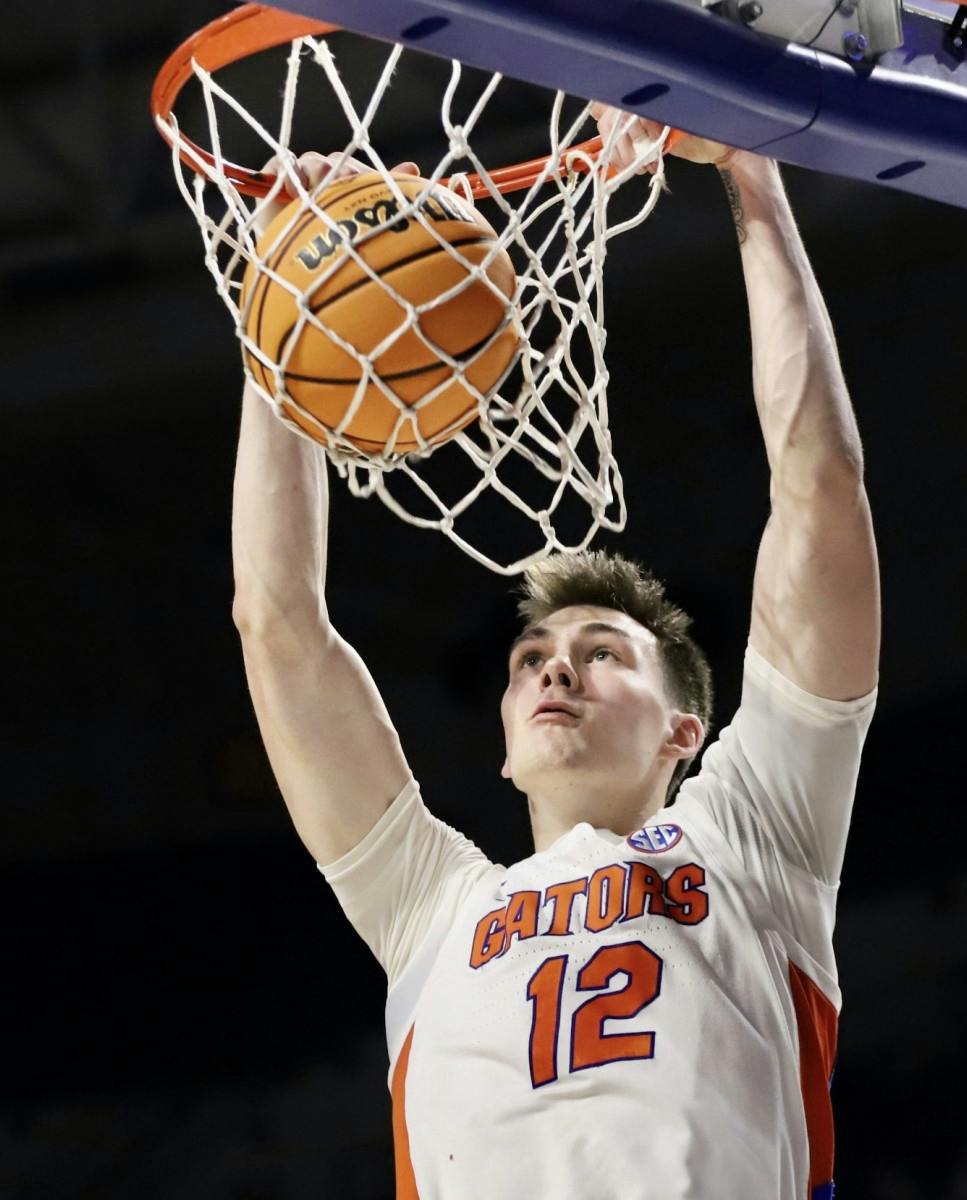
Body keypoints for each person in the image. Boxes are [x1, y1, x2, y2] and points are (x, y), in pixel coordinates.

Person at [230, 114, 881, 1198]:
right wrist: (291, 310)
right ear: (499, 749)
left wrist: (748, 175)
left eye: (599, 651)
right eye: (531, 655)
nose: (553, 669)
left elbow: (819, 494)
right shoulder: (430, 907)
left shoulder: (754, 840)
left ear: (686, 728)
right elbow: (277, 622)